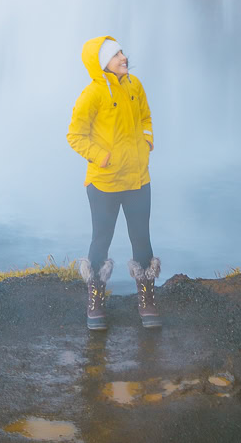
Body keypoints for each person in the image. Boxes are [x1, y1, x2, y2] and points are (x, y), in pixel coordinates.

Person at [67, 35, 160, 331]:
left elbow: (146, 117)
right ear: (102, 63)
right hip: (104, 182)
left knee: (141, 239)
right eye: (115, 54)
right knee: (101, 240)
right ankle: (95, 297)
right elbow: (75, 134)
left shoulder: (135, 85)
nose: (123, 57)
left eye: (122, 51)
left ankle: (146, 298)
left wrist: (147, 141)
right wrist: (100, 157)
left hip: (137, 179)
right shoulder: (92, 94)